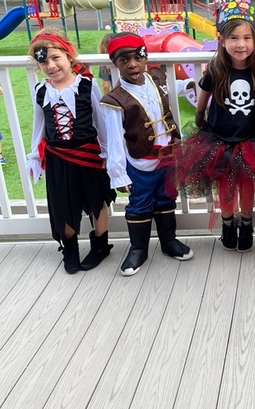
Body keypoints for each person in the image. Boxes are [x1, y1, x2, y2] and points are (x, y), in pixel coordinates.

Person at [172, 0, 255, 252]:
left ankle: (246, 224)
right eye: (233, 38)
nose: (241, 44)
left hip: (251, 140)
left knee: (246, 189)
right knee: (225, 189)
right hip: (220, 140)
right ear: (222, 40)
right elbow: (204, 93)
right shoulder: (217, 68)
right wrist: (199, 116)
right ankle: (227, 223)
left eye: (247, 38)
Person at [100, 33, 193, 276]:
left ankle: (169, 241)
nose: (132, 64)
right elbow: (114, 139)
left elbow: (170, 88)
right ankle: (138, 249)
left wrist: (190, 85)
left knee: (165, 198)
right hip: (140, 162)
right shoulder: (115, 100)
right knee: (140, 203)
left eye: (137, 57)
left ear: (145, 57)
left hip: (167, 157)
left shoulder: (156, 77)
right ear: (115, 64)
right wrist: (118, 174)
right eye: (124, 60)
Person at [25, 30, 115, 273]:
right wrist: (34, 155)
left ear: (69, 55)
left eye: (56, 58)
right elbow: (39, 126)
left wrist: (107, 153)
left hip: (89, 154)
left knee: (97, 200)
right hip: (58, 157)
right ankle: (71, 249)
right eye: (44, 61)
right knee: (62, 203)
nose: (51, 66)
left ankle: (100, 246)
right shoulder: (41, 91)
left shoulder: (88, 85)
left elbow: (101, 122)